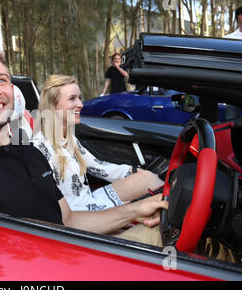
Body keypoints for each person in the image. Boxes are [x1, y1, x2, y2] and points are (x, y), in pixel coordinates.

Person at [0, 44, 167, 242]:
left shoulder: (30, 154)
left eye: (1, 80)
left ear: (12, 90)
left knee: (165, 233)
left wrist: (135, 210)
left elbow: (69, 221)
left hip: (75, 250)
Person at [32, 74, 164, 214]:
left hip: (91, 200)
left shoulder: (69, 139)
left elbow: (98, 167)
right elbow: (51, 208)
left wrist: (135, 171)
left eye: (80, 98)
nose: (80, 104)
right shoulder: (40, 147)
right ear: (53, 106)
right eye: (72, 99)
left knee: (146, 178)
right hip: (79, 216)